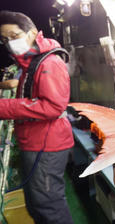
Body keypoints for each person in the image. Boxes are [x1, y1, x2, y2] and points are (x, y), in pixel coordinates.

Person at [0, 11, 74, 224]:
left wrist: (4, 107)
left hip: (46, 146)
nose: (9, 44)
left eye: (13, 36)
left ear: (32, 33)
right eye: (4, 39)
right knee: (35, 203)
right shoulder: (29, 63)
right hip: (34, 142)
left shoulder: (49, 63)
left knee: (48, 205)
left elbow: (52, 106)